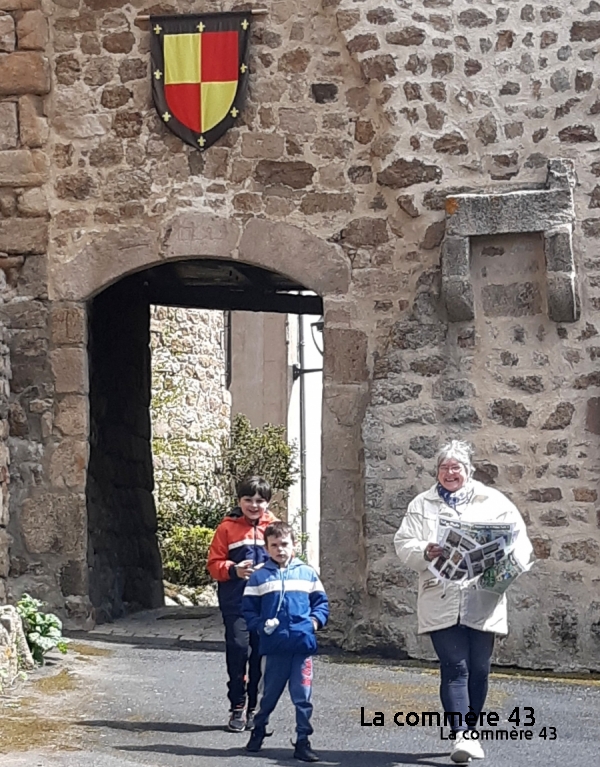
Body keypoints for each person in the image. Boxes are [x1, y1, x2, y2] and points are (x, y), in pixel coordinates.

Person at [394, 440, 533, 764]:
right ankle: (462, 735)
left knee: (479, 669)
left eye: (456, 467)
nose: (449, 473)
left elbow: (519, 542)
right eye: (444, 468)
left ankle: (472, 730)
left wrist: (507, 565)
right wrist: (425, 551)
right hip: (440, 594)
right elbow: (403, 543)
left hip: (481, 596)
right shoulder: (421, 504)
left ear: (469, 471)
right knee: (455, 666)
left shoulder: (494, 502)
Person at [242, 521, 329, 763]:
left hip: (301, 647)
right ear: (267, 548)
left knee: (303, 697)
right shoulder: (259, 578)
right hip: (274, 648)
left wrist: (313, 623)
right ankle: (259, 728)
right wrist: (260, 627)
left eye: (284, 544)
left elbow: (321, 603)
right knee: (268, 695)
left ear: (293, 545)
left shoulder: (307, 573)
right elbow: (248, 610)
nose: (280, 549)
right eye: (274, 545)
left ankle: (303, 740)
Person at [207, 476, 278, 732]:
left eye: (260, 500)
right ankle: (237, 705)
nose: (254, 505)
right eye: (248, 499)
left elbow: (287, 558)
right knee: (238, 650)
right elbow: (214, 564)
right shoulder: (227, 528)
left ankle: (254, 708)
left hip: (267, 605)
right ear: (239, 501)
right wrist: (234, 569)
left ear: (268, 503)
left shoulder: (275, 526)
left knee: (261, 657)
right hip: (236, 602)